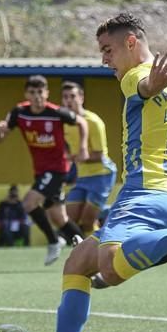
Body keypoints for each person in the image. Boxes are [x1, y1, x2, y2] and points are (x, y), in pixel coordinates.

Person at [24, 12, 167, 332]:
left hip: (145, 192)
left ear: (131, 43)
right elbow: (150, 88)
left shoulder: (136, 75)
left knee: (109, 269)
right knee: (77, 264)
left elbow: (142, 86)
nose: (104, 60)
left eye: (108, 50)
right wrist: (154, 84)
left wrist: (149, 84)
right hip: (164, 195)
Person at [0, 75, 88, 266]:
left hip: (58, 169)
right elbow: (0, 139)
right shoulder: (19, 113)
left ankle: (53, 240)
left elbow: (82, 122)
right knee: (59, 218)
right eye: (32, 92)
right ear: (26, 94)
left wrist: (83, 147)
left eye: (40, 92)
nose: (37, 96)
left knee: (29, 202)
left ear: (47, 93)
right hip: (40, 171)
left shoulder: (56, 112)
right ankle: (89, 250)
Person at [61, 80, 117, 237]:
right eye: (65, 97)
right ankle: (83, 252)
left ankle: (99, 249)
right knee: (69, 219)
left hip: (101, 174)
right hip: (82, 176)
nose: (68, 100)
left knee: (87, 221)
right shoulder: (64, 123)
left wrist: (75, 157)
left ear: (81, 97)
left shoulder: (93, 121)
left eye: (72, 96)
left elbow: (99, 154)